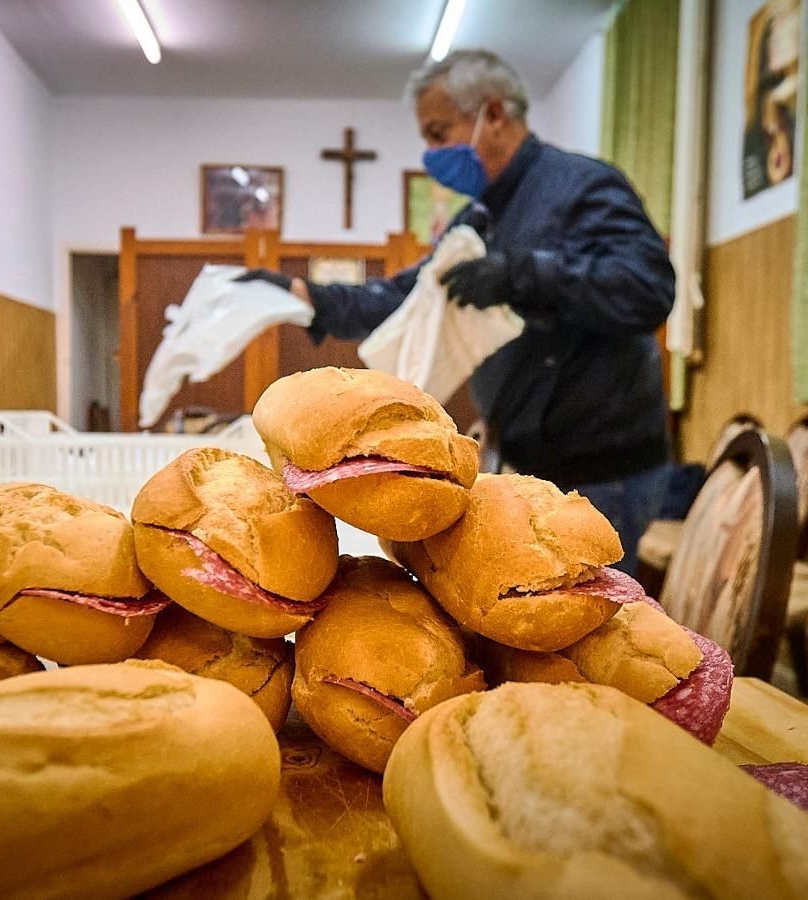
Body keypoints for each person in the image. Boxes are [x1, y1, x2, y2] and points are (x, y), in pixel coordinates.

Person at [239, 50, 675, 571]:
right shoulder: (482, 214)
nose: (431, 153)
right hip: (525, 461)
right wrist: (305, 298)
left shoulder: (582, 186)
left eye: (439, 132)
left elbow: (647, 288)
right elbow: (414, 297)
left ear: (492, 114)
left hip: (606, 473)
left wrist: (521, 275)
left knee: (593, 635)